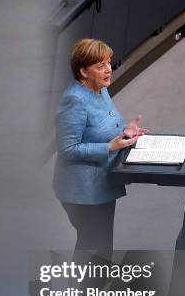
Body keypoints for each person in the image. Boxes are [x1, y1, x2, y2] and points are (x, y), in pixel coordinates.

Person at [53, 38, 147, 251]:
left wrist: (125, 131)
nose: (108, 70)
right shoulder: (74, 101)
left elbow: (103, 123)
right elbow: (67, 149)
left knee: (101, 246)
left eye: (108, 63)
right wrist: (110, 147)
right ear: (83, 72)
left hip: (102, 182)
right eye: (100, 66)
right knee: (92, 247)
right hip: (83, 191)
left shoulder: (100, 88)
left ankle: (99, 283)